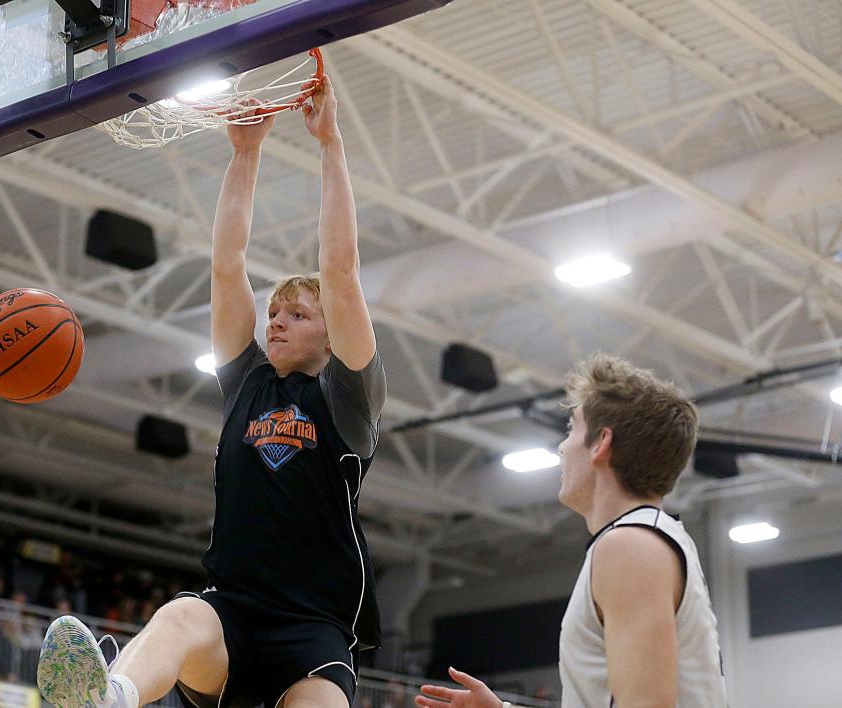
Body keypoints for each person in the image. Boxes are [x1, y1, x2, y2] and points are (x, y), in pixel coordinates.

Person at [37, 74, 386, 708]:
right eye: (274, 311)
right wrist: (244, 154)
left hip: (314, 631)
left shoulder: (349, 400)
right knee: (177, 616)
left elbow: (340, 268)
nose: (275, 320)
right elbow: (228, 263)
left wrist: (330, 141)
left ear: (332, 335)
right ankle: (107, 698)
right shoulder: (246, 381)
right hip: (231, 615)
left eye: (297, 315)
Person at [416, 355, 726, 708]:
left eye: (571, 429)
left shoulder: (630, 545)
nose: (563, 447)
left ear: (601, 443)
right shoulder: (643, 538)